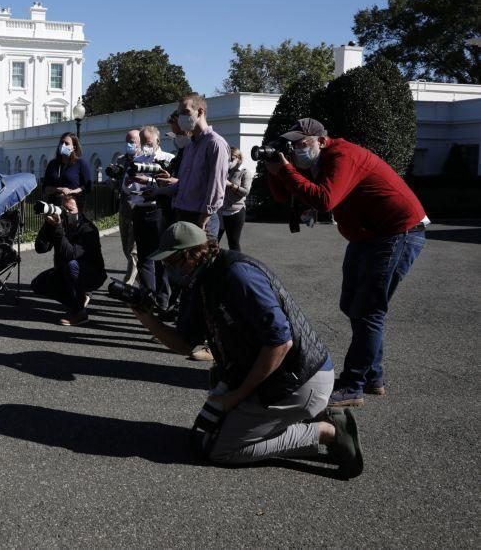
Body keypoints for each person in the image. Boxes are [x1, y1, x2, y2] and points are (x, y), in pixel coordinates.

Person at [131, 222, 364, 477]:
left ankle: (326, 431)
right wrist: (145, 316)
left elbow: (279, 342)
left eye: (172, 262)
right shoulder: (199, 280)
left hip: (299, 378)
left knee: (221, 449)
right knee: (210, 430)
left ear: (192, 253)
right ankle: (291, 417)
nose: (168, 269)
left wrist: (236, 396)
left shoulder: (237, 274)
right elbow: (184, 343)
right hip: (276, 379)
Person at [265, 118, 427, 408]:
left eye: (301, 144)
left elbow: (324, 201)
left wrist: (287, 170)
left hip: (397, 233)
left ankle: (354, 386)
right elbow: (285, 197)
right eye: (292, 145)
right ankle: (372, 378)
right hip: (368, 236)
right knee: (353, 305)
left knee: (368, 311)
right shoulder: (315, 164)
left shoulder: (343, 155)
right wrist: (275, 172)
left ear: (321, 140)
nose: (295, 150)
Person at [158, 94, 229, 238]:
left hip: (201, 218)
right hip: (181, 214)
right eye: (180, 114)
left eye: (186, 112)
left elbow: (216, 187)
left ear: (200, 111)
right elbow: (183, 184)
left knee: (200, 260)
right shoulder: (190, 146)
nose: (181, 118)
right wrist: (157, 191)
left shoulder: (215, 144)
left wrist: (204, 219)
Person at [31, 192, 106, 327]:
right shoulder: (61, 223)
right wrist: (48, 227)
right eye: (64, 209)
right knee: (39, 284)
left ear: (81, 210)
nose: (66, 213)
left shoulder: (88, 229)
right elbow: (40, 248)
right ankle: (77, 301)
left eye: (70, 210)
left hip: (92, 274)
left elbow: (71, 255)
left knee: (72, 265)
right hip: (65, 269)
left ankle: (80, 313)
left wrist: (58, 229)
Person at [130, 125, 176, 309]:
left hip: (159, 211)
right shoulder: (137, 160)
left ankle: (163, 301)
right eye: (143, 142)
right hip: (140, 209)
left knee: (163, 258)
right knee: (144, 257)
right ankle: (148, 298)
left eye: (149, 142)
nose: (146, 146)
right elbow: (128, 189)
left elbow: (172, 186)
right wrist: (130, 182)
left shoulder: (168, 159)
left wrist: (149, 181)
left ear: (158, 141)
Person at [111, 129, 141, 285]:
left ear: (140, 142)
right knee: (126, 248)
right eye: (127, 141)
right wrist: (114, 177)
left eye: (133, 141)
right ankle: (143, 279)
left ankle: (128, 283)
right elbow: (116, 185)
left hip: (138, 208)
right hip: (124, 209)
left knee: (133, 250)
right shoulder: (121, 160)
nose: (130, 144)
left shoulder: (144, 160)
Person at [42, 132, 92, 210]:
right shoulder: (52, 164)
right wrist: (58, 189)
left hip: (72, 207)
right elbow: (45, 188)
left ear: (74, 147)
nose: (63, 145)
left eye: (66, 143)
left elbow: (87, 187)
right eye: (62, 143)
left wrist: (72, 192)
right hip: (53, 208)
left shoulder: (80, 163)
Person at [218, 147, 253, 251]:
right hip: (220, 211)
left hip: (235, 212)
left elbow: (245, 192)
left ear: (239, 158)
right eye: (226, 159)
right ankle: (213, 265)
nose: (228, 162)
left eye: (231, 159)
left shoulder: (244, 172)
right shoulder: (223, 170)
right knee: (213, 241)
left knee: (233, 242)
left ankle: (236, 264)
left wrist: (230, 185)